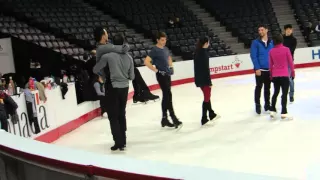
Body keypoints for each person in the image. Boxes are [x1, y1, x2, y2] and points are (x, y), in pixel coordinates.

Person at [93, 33, 135, 151]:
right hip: (125, 88)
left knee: (113, 115)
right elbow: (132, 76)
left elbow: (95, 69)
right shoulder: (129, 57)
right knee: (122, 113)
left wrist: (104, 75)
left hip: (112, 87)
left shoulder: (108, 56)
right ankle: (124, 140)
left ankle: (118, 142)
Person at [144, 32, 182, 129]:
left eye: (165, 40)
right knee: (168, 94)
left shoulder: (165, 49)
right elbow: (146, 61)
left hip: (167, 75)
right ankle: (173, 117)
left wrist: (171, 66)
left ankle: (164, 118)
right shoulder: (154, 50)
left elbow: (169, 58)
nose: (164, 42)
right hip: (161, 76)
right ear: (157, 40)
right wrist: (156, 70)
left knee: (167, 95)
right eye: (162, 40)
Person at [193, 36, 221, 125]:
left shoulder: (197, 52)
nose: (209, 44)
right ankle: (204, 118)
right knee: (206, 98)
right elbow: (205, 69)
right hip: (204, 79)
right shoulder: (203, 53)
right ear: (206, 43)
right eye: (208, 42)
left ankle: (211, 114)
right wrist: (209, 82)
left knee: (207, 97)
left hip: (199, 79)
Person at [269, 34, 295, 120]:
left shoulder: (271, 51)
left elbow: (270, 65)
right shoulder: (286, 49)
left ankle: (272, 110)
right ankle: (284, 112)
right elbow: (290, 62)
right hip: (284, 75)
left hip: (275, 75)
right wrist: (293, 72)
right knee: (284, 93)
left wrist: (271, 75)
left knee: (275, 92)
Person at [250, 24, 274, 115]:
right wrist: (257, 68)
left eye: (262, 30)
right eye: (259, 30)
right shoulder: (255, 42)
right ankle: (257, 104)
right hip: (260, 70)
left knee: (267, 88)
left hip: (269, 70)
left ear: (266, 30)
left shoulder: (271, 42)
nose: (260, 32)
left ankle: (267, 105)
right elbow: (253, 56)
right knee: (259, 87)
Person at [283, 24, 297, 103]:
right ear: (285, 30)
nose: (288, 30)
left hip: (289, 61)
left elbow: (291, 50)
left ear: (292, 30)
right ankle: (284, 94)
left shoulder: (294, 40)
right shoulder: (281, 38)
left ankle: (291, 94)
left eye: (290, 29)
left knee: (289, 78)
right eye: (287, 29)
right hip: (281, 62)